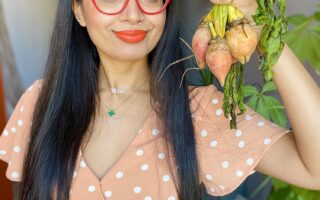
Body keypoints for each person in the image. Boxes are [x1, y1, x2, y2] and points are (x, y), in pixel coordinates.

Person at [0, 0, 319, 199]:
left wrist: (263, 34)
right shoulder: (39, 103)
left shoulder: (198, 111)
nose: (134, 13)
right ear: (78, 10)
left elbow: (315, 170)